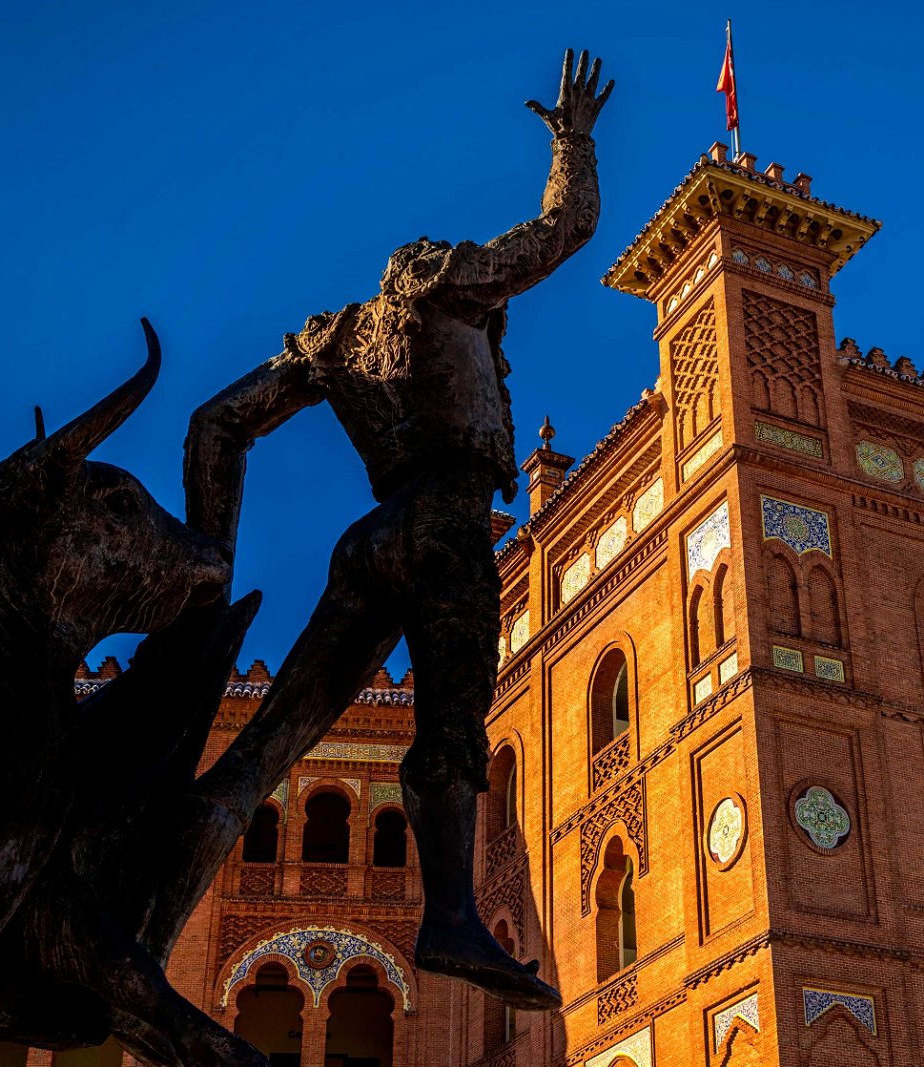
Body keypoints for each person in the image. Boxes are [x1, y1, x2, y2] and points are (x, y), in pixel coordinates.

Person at [183, 49, 612, 1008]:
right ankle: (450, 913)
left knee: (266, 746)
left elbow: (216, 424)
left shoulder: (330, 338)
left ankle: (168, 858)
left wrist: (210, 564)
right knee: (453, 728)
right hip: (451, 531)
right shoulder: (446, 284)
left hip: (372, 542)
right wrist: (573, 142)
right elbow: (562, 230)